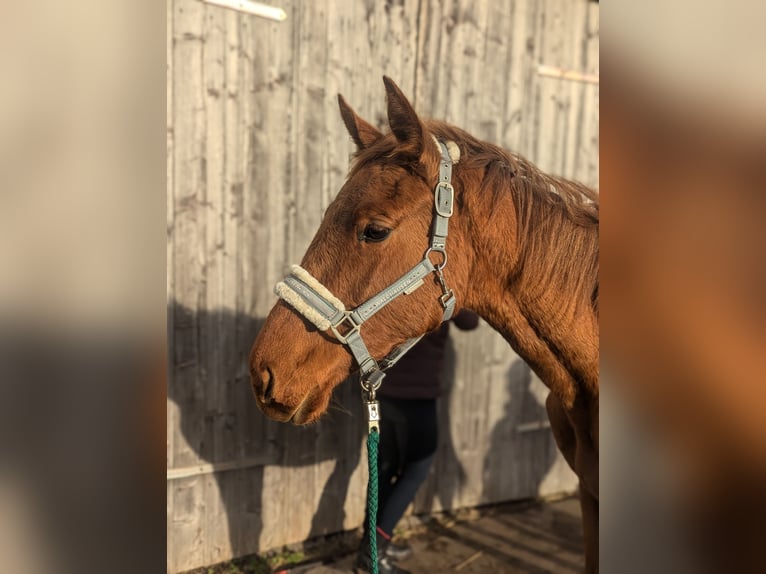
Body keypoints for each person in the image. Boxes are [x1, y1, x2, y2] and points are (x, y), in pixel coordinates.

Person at [356, 310, 480, 574]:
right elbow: (470, 322)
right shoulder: (444, 281)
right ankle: (374, 552)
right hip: (417, 397)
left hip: (382, 391)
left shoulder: (393, 276)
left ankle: (370, 548)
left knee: (384, 469)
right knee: (416, 470)